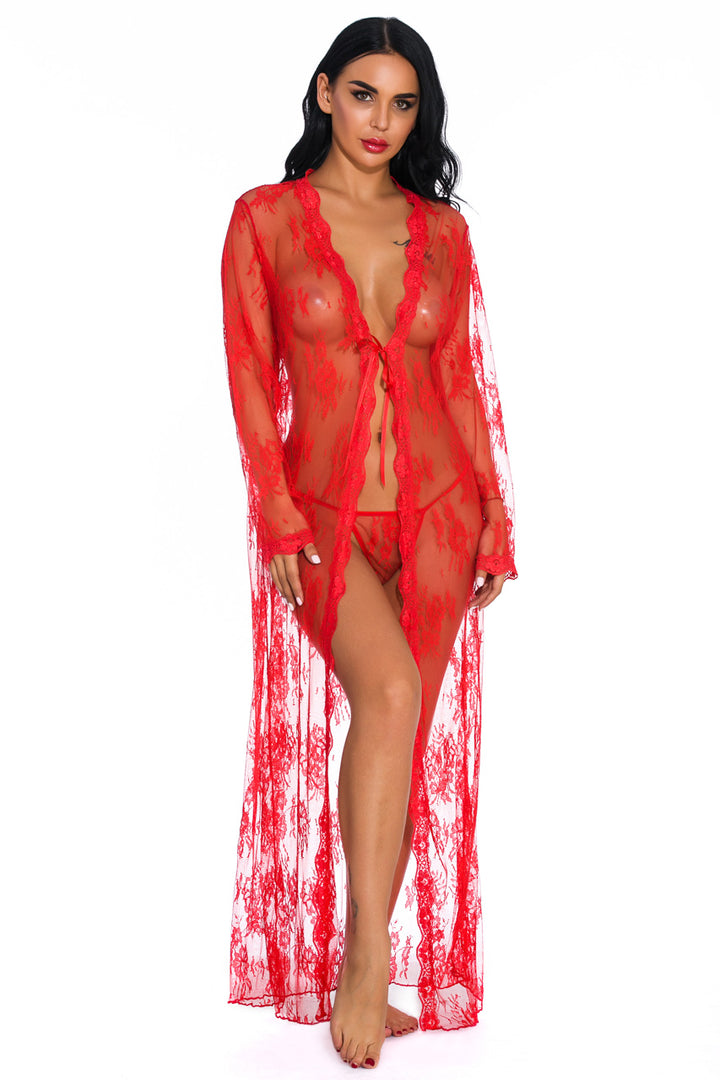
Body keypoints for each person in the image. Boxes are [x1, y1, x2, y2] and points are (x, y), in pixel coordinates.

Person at [220, 15, 518, 1071]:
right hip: (323, 517)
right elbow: (249, 374)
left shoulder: (442, 231)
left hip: (441, 512)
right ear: (323, 92)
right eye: (362, 94)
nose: (381, 120)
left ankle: (368, 963)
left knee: (405, 725)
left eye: (402, 102)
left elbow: (460, 381)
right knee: (388, 693)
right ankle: (366, 963)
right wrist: (277, 514)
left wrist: (495, 515)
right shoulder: (265, 220)